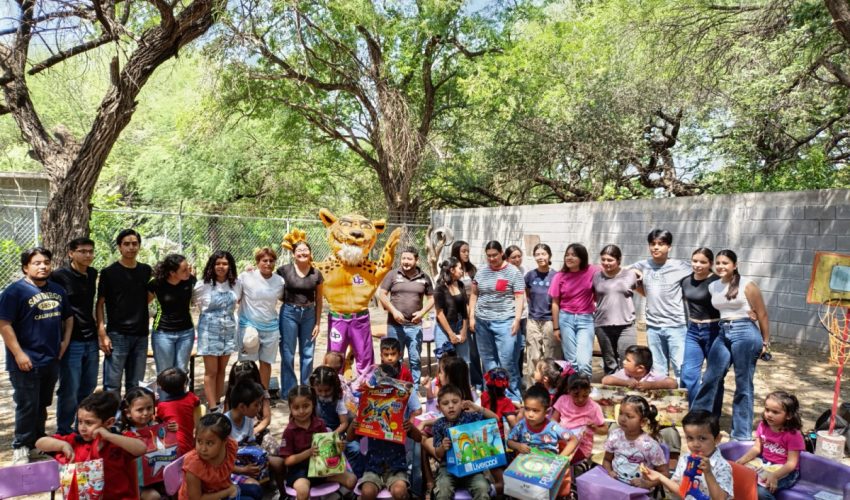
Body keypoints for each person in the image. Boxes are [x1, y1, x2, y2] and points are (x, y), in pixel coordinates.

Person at [0, 247, 72, 464]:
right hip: (25, 361)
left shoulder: (58, 290)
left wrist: (64, 342)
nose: (43, 266)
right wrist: (19, 354)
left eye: (46, 262)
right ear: (26, 267)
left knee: (42, 403)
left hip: (50, 359)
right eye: (37, 263)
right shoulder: (14, 292)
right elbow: (4, 324)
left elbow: (69, 318)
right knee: (27, 404)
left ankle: (37, 443)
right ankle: (21, 446)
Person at [694, 249, 770, 441]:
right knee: (711, 377)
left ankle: (741, 433)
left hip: (745, 331)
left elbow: (761, 314)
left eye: (725, 263)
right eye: (718, 263)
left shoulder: (747, 285)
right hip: (723, 331)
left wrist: (765, 341)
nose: (721, 266)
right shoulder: (714, 287)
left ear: (734, 265)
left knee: (743, 383)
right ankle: (698, 422)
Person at [35, 391, 146, 499]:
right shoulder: (74, 441)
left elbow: (141, 448)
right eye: (80, 421)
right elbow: (40, 443)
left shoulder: (119, 442)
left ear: (109, 422)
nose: (82, 428)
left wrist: (109, 436)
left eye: (89, 423)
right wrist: (62, 445)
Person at [51, 237, 100, 436]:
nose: (87, 255)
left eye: (90, 251)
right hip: (72, 340)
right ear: (71, 253)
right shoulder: (59, 276)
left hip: (91, 338)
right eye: (82, 251)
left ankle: (82, 429)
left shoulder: (93, 273)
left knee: (88, 387)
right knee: (70, 389)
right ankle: (64, 431)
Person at [630, 229, 692, 381]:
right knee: (658, 369)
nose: (656, 247)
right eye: (652, 244)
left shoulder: (681, 266)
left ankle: (682, 401)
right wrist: (635, 275)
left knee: (680, 367)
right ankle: (664, 402)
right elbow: (622, 270)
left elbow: (705, 275)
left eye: (661, 244)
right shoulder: (643, 265)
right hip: (653, 326)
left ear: (669, 247)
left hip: (676, 325)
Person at [97, 229, 153, 394]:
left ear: (139, 246)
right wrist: (102, 333)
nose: (131, 247)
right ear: (119, 247)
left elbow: (147, 298)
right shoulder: (108, 272)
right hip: (117, 334)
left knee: (136, 384)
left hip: (141, 334)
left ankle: (132, 418)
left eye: (134, 244)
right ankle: (113, 418)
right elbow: (99, 304)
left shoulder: (146, 270)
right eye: (126, 244)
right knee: (112, 384)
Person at [469, 240, 525, 400]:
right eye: (489, 256)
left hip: (505, 322)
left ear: (502, 253)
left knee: (507, 361)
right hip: (482, 323)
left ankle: (513, 396)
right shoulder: (481, 272)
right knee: (488, 361)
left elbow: (519, 297)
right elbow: (474, 294)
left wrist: (516, 320)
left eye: (495, 255)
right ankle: (493, 394)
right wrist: (472, 316)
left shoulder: (513, 272)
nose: (492, 258)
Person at [282, 385, 357, 500]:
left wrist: (338, 447)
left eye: (306, 406)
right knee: (303, 491)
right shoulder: (289, 431)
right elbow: (287, 461)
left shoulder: (320, 423)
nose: (301, 411)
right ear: (290, 408)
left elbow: (327, 449)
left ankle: (335, 496)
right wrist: (308, 452)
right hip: (300, 473)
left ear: (313, 405)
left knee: (352, 480)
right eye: (296, 408)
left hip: (322, 469)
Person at [642, 410, 733, 500]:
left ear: (717, 439)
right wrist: (660, 477)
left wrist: (708, 473)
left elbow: (721, 498)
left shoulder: (722, 466)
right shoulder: (685, 459)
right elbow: (681, 491)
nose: (695, 444)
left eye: (702, 438)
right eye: (690, 438)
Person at [378, 246, 434, 390]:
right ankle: (395, 388)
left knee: (415, 359)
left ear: (416, 260)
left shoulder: (424, 277)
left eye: (409, 259)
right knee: (395, 359)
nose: (405, 261)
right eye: (403, 258)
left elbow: (433, 299)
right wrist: (394, 311)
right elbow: (382, 294)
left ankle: (413, 390)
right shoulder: (392, 275)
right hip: (394, 325)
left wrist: (422, 313)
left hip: (415, 327)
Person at [431, 385, 498, 500]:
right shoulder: (438, 424)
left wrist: (476, 407)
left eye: (455, 402)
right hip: (448, 468)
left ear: (462, 403)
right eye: (445, 403)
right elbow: (438, 454)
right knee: (443, 490)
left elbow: (495, 419)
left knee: (482, 487)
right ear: (439, 407)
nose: (451, 406)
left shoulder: (470, 417)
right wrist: (442, 447)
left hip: (472, 467)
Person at [194, 251, 241, 412]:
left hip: (228, 330)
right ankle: (212, 406)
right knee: (211, 371)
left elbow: (238, 301)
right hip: (209, 331)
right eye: (218, 263)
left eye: (225, 264)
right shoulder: (202, 285)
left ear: (230, 266)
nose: (221, 267)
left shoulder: (236, 284)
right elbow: (196, 304)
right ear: (212, 265)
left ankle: (219, 401)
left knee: (222, 370)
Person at [277, 239, 324, 397]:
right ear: (293, 254)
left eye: (305, 250)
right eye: (299, 250)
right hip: (289, 313)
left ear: (310, 254)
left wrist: (318, 323)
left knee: (308, 353)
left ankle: (306, 389)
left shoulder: (316, 274)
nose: (302, 253)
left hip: (309, 314)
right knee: (287, 352)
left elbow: (319, 299)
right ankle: (289, 391)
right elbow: (271, 284)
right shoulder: (284, 270)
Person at [735, 391, 804, 499]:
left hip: (785, 472)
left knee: (760, 492)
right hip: (764, 464)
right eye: (767, 410)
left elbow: (792, 463)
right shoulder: (763, 426)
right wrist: (741, 461)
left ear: (789, 415)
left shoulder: (793, 435)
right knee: (738, 477)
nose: (769, 414)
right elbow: (756, 448)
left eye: (775, 412)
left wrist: (775, 476)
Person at [680, 248, 722, 409]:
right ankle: (694, 411)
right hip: (692, 331)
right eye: (695, 261)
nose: (698, 265)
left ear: (710, 264)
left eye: (703, 262)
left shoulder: (718, 282)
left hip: (714, 330)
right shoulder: (685, 281)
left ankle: (712, 414)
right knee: (688, 373)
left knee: (713, 376)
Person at [550, 243, 600, 377]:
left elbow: (611, 266)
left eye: (573, 255)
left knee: (583, 363)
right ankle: (573, 393)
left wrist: (633, 270)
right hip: (565, 319)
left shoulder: (592, 271)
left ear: (582, 258)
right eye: (567, 255)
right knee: (571, 362)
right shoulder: (559, 276)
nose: (569, 257)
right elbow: (555, 303)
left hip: (586, 319)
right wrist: (556, 328)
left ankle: (585, 393)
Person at [237, 247, 284, 389]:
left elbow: (282, 298)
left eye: (271, 261)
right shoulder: (246, 277)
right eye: (264, 260)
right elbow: (237, 297)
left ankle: (264, 392)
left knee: (266, 362)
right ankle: (248, 392)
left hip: (271, 327)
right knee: (248, 364)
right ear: (257, 262)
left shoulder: (279, 281)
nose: (268, 263)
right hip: (249, 327)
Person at [602, 395, 668, 488]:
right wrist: (609, 472)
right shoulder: (615, 436)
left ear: (643, 422)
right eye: (621, 413)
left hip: (639, 492)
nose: (623, 419)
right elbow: (606, 460)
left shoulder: (650, 445)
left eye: (629, 416)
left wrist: (648, 484)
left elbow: (664, 473)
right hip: (616, 486)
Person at [593, 244, 639, 375]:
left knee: (629, 359)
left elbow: (641, 289)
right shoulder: (596, 276)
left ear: (619, 260)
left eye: (610, 260)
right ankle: (611, 391)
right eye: (603, 259)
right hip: (602, 325)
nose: (606, 263)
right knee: (610, 362)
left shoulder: (630, 274)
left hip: (626, 324)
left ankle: (628, 390)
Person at [309, 365, 363, 476]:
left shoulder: (338, 399)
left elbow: (344, 423)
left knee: (355, 449)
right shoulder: (312, 397)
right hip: (318, 434)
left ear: (334, 386)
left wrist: (330, 437)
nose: (323, 394)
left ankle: (353, 477)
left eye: (327, 390)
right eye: (320, 390)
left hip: (337, 433)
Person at [148, 253, 197, 374]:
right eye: (184, 270)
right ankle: (164, 394)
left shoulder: (190, 281)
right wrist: (153, 314)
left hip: (186, 333)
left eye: (188, 268)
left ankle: (181, 394)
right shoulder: (156, 284)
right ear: (172, 273)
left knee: (181, 372)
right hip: (162, 333)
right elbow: (142, 304)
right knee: (165, 373)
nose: (188, 272)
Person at [224, 381, 269, 499]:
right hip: (227, 471)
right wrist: (243, 470)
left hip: (242, 463)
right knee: (255, 487)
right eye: (256, 405)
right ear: (242, 407)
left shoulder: (248, 419)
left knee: (276, 463)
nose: (259, 408)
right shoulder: (223, 426)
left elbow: (250, 444)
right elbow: (218, 463)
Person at [507, 383, 579, 457]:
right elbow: (509, 442)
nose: (530, 414)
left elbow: (574, 440)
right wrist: (518, 446)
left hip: (549, 466)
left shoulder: (553, 427)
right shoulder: (521, 426)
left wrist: (560, 459)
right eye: (527, 409)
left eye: (535, 410)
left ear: (547, 412)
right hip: (524, 465)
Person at [178, 413, 238, 500]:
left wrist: (243, 471)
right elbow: (196, 498)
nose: (203, 449)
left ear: (224, 441)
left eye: (209, 443)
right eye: (199, 441)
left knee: (255, 490)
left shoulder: (230, 447)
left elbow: (225, 469)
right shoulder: (194, 465)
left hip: (220, 490)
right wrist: (228, 492)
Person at [523, 243, 559, 387]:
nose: (540, 257)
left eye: (543, 254)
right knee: (534, 356)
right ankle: (533, 387)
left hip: (550, 320)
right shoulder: (530, 275)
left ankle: (552, 388)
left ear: (549, 256)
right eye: (537, 254)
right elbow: (527, 294)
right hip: (533, 320)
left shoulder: (556, 275)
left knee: (551, 356)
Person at [551, 373, 606, 464]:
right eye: (576, 395)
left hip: (582, 447)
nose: (580, 399)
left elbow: (604, 430)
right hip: (562, 440)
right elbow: (553, 420)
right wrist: (560, 431)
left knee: (563, 462)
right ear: (569, 391)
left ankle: (558, 463)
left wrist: (595, 428)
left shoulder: (594, 407)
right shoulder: (563, 400)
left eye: (585, 395)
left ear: (589, 391)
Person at [451, 240, 484, 389]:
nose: (466, 254)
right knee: (464, 351)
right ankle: (464, 381)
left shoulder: (472, 270)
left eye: (468, 251)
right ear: (456, 252)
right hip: (459, 314)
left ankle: (477, 381)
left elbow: (477, 292)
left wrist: (473, 310)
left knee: (476, 351)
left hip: (474, 313)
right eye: (463, 251)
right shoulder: (452, 270)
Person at [432, 258, 470, 367]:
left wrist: (464, 329)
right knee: (445, 363)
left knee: (464, 363)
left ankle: (463, 384)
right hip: (444, 329)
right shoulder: (440, 288)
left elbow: (465, 308)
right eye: (460, 268)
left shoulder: (461, 285)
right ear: (452, 270)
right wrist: (450, 334)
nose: (462, 271)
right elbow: (439, 313)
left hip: (460, 325)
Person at [156, 367, 200, 456]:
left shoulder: (162, 406)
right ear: (185, 383)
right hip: (190, 442)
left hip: (173, 446)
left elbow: (158, 422)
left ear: (163, 389)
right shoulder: (191, 398)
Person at [222, 361, 272, 441]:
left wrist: (254, 431)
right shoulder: (231, 395)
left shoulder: (261, 394)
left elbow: (267, 419)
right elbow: (225, 420)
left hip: (257, 430)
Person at [601, 345, 678, 390]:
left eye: (628, 360)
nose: (624, 362)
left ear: (640, 368)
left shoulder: (653, 375)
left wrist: (651, 385)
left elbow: (673, 383)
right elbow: (605, 380)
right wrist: (625, 383)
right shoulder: (623, 373)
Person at [504, 245, 528, 387]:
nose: (517, 259)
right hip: (509, 316)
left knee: (521, 346)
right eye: (513, 257)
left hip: (524, 315)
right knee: (509, 348)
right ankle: (508, 378)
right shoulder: (504, 272)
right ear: (507, 258)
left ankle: (518, 376)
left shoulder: (525, 271)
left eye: (519, 256)